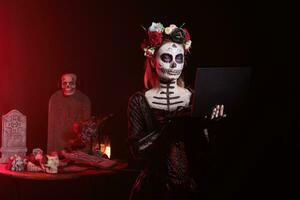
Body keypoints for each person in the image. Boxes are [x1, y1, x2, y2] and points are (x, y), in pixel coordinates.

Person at [127, 22, 226, 200]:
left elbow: (206, 153)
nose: (174, 64)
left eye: (179, 58)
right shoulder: (138, 101)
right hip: (152, 191)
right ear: (152, 60)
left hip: (187, 190)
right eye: (166, 58)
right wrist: (171, 125)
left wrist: (209, 125)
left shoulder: (193, 96)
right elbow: (137, 152)